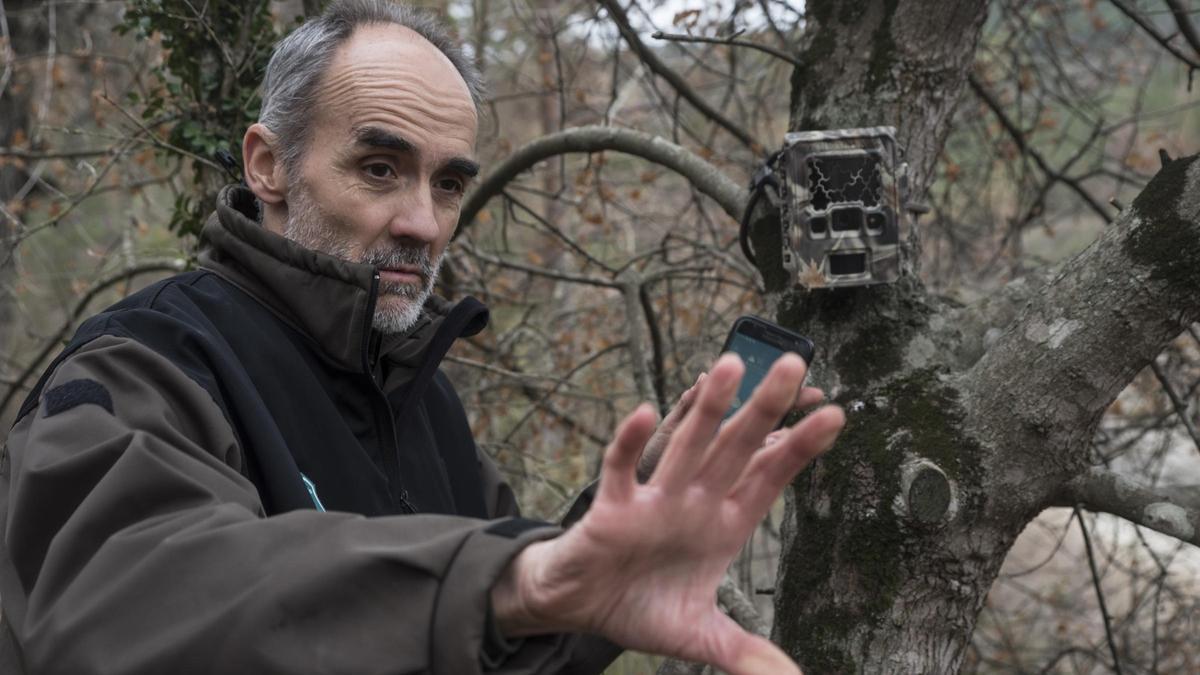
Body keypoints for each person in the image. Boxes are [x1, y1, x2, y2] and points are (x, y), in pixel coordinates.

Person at [0, 1, 845, 673]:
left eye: (447, 183)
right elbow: (123, 607)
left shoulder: (423, 395)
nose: (423, 223)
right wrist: (509, 578)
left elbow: (495, 639)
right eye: (379, 168)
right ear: (267, 164)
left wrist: (609, 548)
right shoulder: (142, 361)